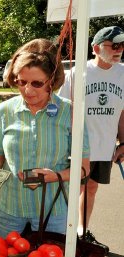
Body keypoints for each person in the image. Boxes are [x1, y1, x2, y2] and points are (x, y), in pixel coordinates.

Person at [0, 38, 91, 238]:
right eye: (21, 82)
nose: (27, 90)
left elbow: (83, 169)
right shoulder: (4, 110)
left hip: (54, 212)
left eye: (37, 83)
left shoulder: (70, 112)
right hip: (10, 210)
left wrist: (56, 176)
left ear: (52, 81)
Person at [58, 26, 124, 251]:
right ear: (96, 48)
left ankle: (81, 232)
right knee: (71, 189)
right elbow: (62, 110)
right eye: (113, 45)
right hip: (77, 147)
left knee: (92, 188)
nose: (119, 50)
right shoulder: (77, 73)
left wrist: (122, 142)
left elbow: (123, 112)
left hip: (104, 146)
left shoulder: (123, 73)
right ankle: (61, 231)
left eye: (122, 45)